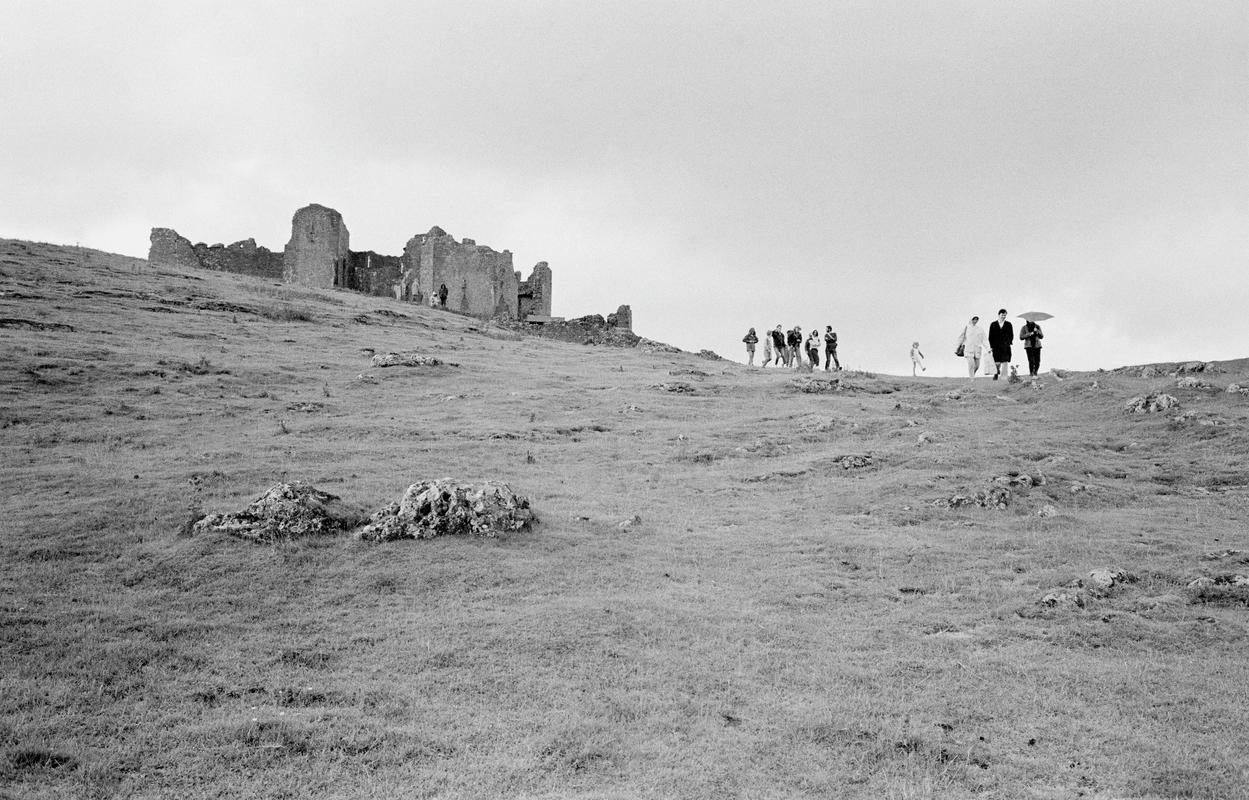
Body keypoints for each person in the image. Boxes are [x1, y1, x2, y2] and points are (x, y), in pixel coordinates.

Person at [988, 309, 1014, 380]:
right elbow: (990, 337)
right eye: (1002, 315)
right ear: (999, 315)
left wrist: (1008, 342)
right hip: (996, 347)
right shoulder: (993, 324)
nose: (1003, 316)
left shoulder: (1009, 324)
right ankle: (996, 373)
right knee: (997, 363)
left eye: (1005, 315)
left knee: (1005, 361)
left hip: (1005, 346)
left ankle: (1004, 377)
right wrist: (991, 346)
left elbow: (1011, 335)